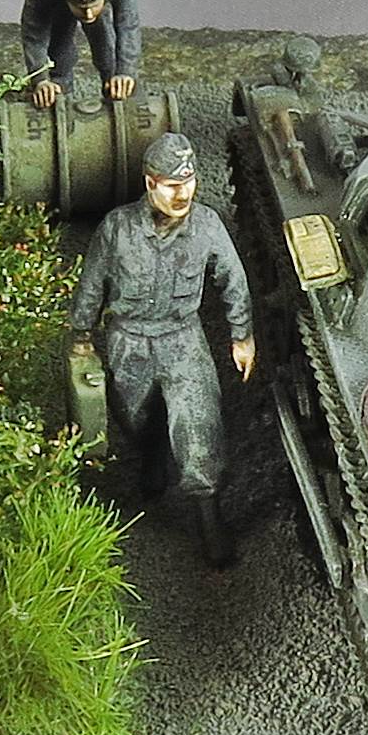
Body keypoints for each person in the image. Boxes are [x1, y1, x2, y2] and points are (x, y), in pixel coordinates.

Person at [69, 133, 254, 568]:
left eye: (188, 182)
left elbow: (233, 278)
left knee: (199, 424)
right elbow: (92, 282)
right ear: (151, 184)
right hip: (128, 339)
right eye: (172, 185)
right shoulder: (117, 228)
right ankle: (150, 458)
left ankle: (208, 516)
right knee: (134, 415)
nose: (182, 193)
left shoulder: (207, 225)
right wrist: (80, 334)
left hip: (182, 337)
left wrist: (241, 335)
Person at [20, 0, 141, 109]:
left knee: (107, 48)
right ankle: (58, 95)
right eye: (82, 8)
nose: (89, 14)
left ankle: (117, 94)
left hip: (93, 2)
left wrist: (126, 72)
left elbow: (128, 26)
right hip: (57, 4)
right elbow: (34, 33)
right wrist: (40, 79)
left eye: (93, 6)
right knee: (59, 51)